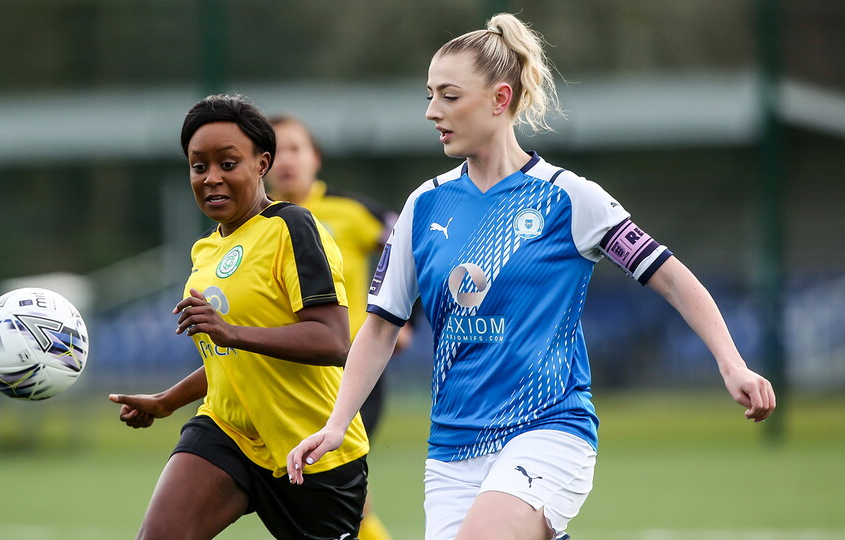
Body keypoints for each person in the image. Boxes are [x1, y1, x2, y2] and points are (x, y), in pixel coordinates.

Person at [287, 13, 776, 540]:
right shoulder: (423, 205)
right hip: (452, 447)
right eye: (429, 95)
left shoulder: (569, 197)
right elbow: (380, 327)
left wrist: (733, 365)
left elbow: (673, 278)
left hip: (549, 430)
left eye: (449, 96)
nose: (432, 112)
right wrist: (337, 424)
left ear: (500, 99)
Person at [109, 94, 370, 540]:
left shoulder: (293, 228)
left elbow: (333, 341)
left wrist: (232, 332)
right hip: (226, 432)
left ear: (262, 163)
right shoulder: (205, 249)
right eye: (198, 166)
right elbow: (228, 360)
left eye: (228, 163)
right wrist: (168, 401)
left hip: (311, 449)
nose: (211, 178)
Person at [266, 115, 408, 540]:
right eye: (277, 151)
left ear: (316, 157)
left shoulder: (353, 211)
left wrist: (406, 321)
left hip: (352, 372)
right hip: (288, 378)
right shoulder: (257, 221)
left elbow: (417, 252)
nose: (287, 161)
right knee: (320, 495)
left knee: (337, 492)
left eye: (296, 148)